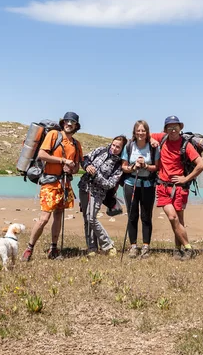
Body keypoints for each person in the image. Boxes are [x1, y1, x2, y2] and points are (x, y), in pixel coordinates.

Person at [21, 112, 83, 262]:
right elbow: (42, 155)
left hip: (65, 183)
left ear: (76, 125)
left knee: (59, 215)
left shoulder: (76, 144)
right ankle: (29, 248)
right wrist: (63, 161)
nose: (69, 124)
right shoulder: (54, 135)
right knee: (44, 218)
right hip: (49, 182)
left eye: (72, 122)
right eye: (67, 121)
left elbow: (76, 168)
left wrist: (72, 168)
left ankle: (53, 248)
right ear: (63, 123)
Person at [151, 115, 203, 261]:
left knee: (178, 220)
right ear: (165, 129)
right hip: (162, 186)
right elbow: (142, 135)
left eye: (175, 127)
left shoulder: (186, 145)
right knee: (172, 217)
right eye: (169, 127)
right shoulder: (161, 138)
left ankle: (180, 249)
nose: (173, 129)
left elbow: (201, 165)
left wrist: (186, 178)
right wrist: (151, 140)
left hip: (179, 188)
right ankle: (187, 248)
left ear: (180, 128)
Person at [78, 136, 126, 256]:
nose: (114, 148)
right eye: (113, 145)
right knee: (86, 218)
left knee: (91, 218)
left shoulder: (119, 165)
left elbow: (110, 184)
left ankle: (108, 245)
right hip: (84, 187)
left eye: (118, 147)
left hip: (98, 193)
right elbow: (85, 159)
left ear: (122, 149)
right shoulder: (100, 150)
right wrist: (87, 166)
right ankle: (92, 248)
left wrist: (96, 175)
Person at [121, 120, 159, 259]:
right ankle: (133, 246)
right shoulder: (129, 146)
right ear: (134, 132)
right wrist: (133, 167)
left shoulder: (153, 147)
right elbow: (124, 167)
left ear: (147, 132)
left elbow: (157, 167)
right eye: (138, 130)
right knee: (132, 215)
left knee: (146, 216)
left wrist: (145, 166)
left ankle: (146, 246)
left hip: (148, 184)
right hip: (131, 184)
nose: (141, 133)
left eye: (143, 130)